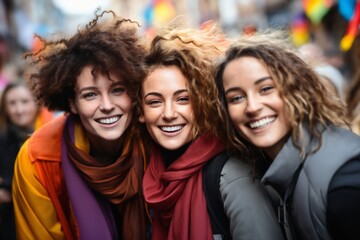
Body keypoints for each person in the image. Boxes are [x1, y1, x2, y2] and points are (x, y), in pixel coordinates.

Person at [137, 20, 283, 239]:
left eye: (183, 99)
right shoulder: (150, 175)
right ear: (140, 111)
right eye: (155, 102)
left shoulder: (231, 176)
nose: (168, 113)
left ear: (203, 102)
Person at [12, 11, 149, 240]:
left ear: (133, 93)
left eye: (117, 90)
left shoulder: (153, 138)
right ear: (72, 103)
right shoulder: (38, 159)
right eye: (90, 95)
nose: (106, 106)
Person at [215, 30, 360, 240]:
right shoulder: (284, 171)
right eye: (236, 98)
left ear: (296, 89)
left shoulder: (343, 179)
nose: (252, 107)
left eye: (265, 89)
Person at [0, 82, 53, 240]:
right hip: (10, 222)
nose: (19, 110)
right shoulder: (2, 140)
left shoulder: (50, 136)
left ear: (36, 104)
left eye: (24, 102)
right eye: (12, 103)